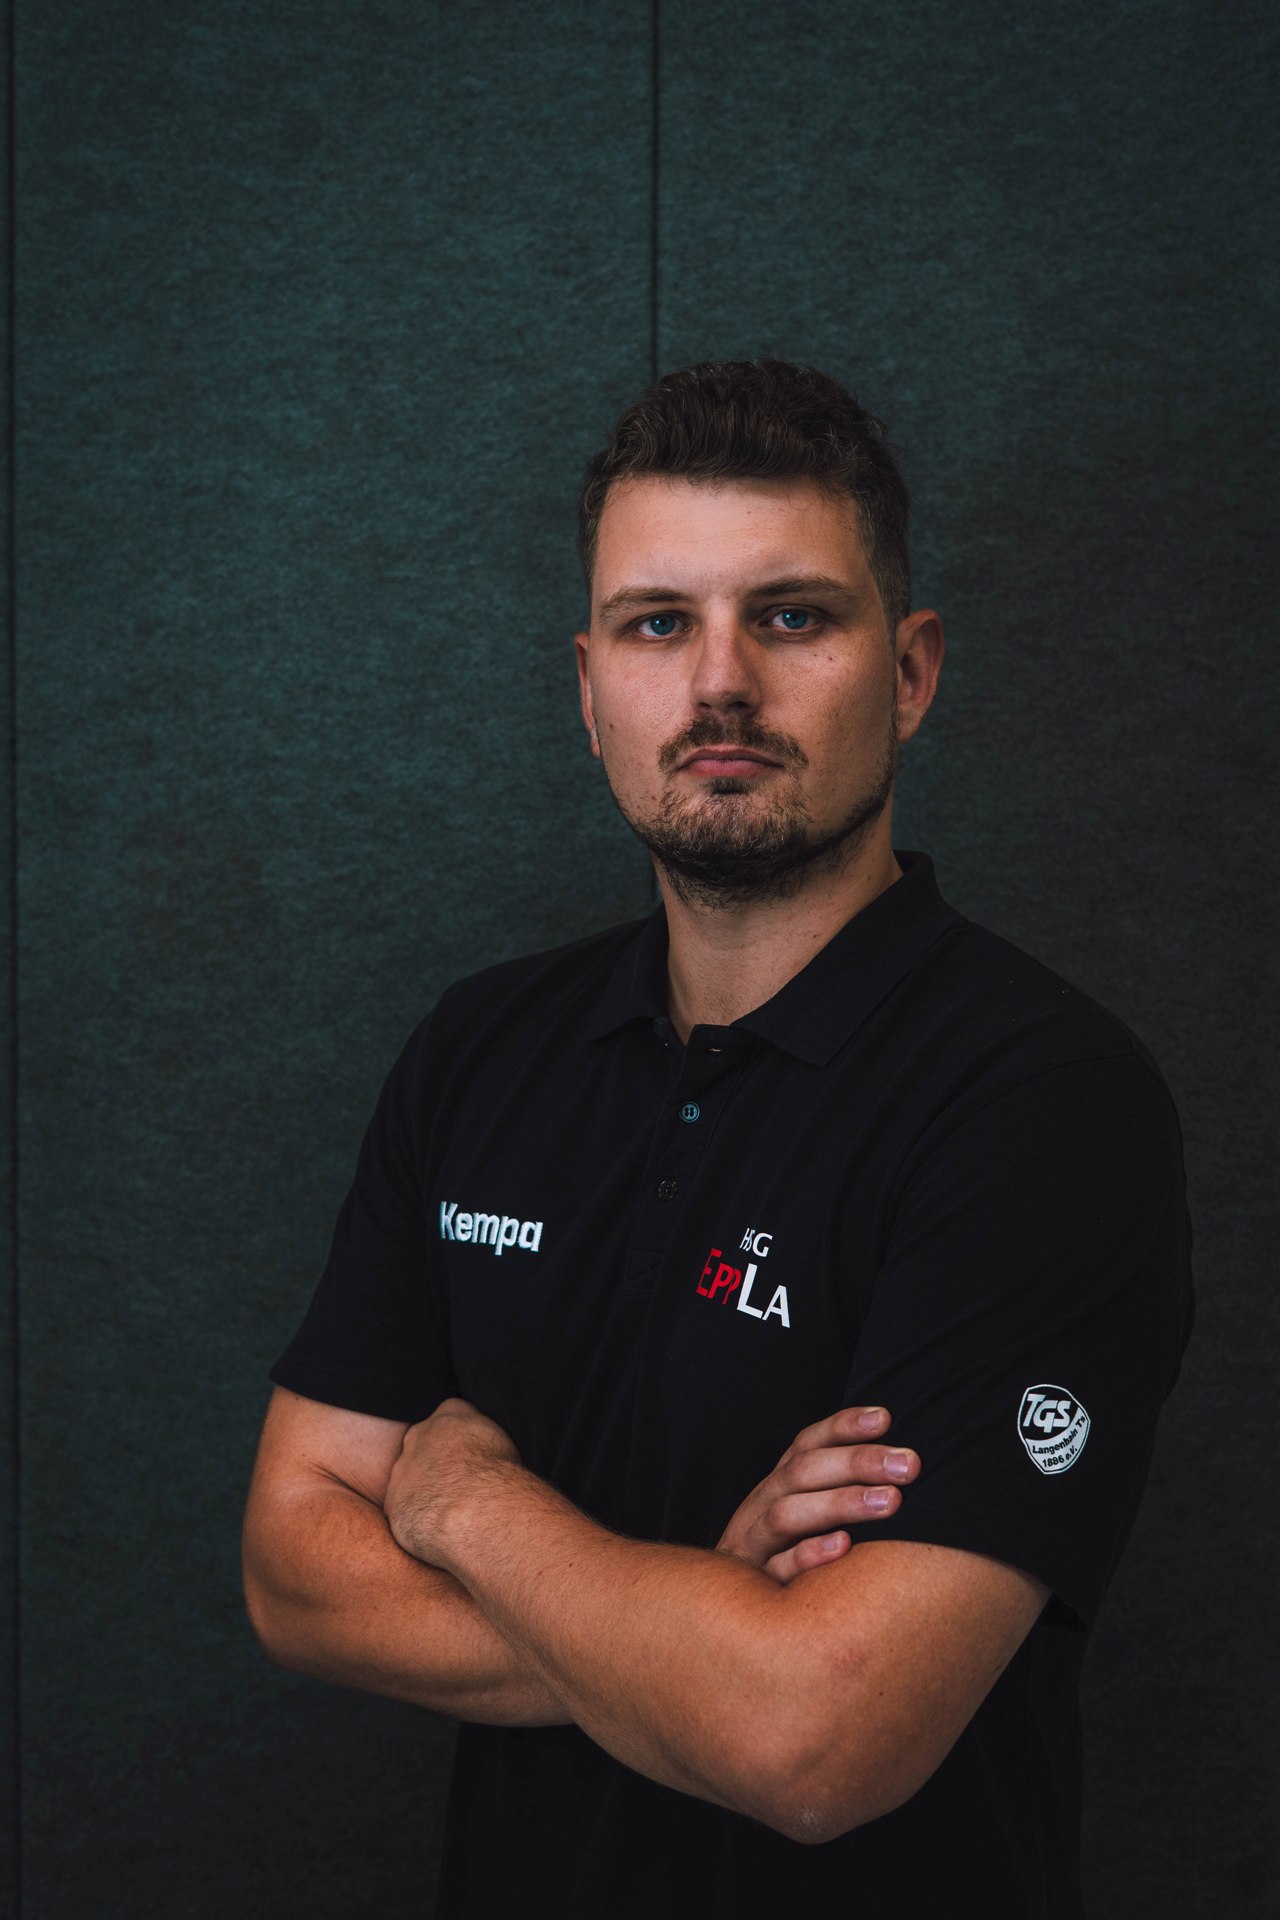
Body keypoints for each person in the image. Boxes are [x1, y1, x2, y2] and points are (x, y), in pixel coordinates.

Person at [242, 358, 1194, 1917]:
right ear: (588, 689)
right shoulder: (483, 1051)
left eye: (793, 616)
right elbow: (292, 1571)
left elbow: (814, 1739)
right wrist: (702, 1620)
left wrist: (469, 1505)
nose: (721, 683)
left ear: (911, 671)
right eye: (656, 624)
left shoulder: (1041, 1104)